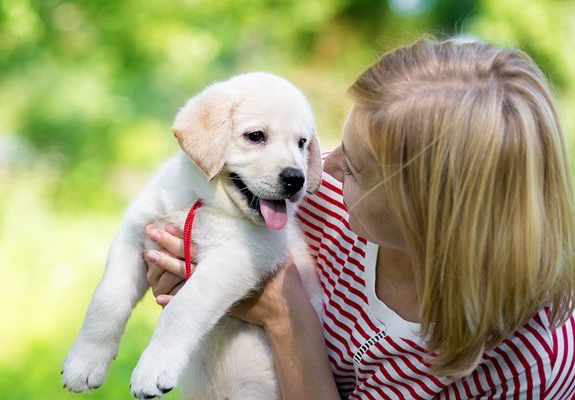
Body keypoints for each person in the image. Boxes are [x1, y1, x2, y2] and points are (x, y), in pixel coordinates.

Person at [143, 38, 575, 399]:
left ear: (425, 212)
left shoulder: (524, 369)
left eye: (356, 168)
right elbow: (191, 234)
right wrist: (177, 266)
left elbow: (277, 303)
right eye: (338, 145)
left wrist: (284, 313)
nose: (325, 169)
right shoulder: (321, 200)